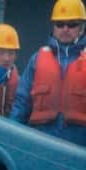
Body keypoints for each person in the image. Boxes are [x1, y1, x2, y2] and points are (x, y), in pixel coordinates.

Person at [9, 0, 86, 145]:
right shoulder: (37, 59)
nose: (65, 29)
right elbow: (21, 102)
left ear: (82, 28)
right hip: (41, 145)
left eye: (72, 24)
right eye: (59, 24)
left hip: (80, 149)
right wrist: (10, 137)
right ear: (53, 26)